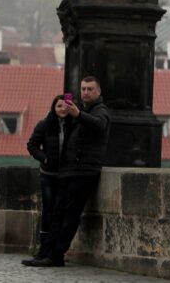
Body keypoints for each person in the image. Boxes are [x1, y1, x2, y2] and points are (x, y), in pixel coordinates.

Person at [27, 76, 111, 268]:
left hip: (84, 171)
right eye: (83, 89)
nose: (86, 92)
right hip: (68, 171)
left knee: (69, 216)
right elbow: (57, 124)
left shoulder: (100, 110)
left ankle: (57, 255)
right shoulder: (80, 110)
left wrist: (78, 114)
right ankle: (45, 253)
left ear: (98, 92)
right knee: (57, 214)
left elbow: (99, 125)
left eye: (90, 89)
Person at [21, 94, 70, 266]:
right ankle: (43, 251)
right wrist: (46, 159)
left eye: (65, 106)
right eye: (59, 106)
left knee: (60, 215)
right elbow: (31, 145)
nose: (62, 109)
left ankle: (54, 253)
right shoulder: (45, 124)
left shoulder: (73, 125)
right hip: (49, 176)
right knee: (48, 212)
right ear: (53, 108)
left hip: (66, 177)